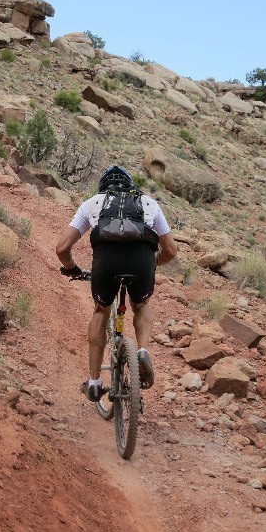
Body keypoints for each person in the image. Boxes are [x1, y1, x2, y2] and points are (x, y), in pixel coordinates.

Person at [55, 165, 178, 401]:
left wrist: (72, 268)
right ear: (131, 187)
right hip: (141, 261)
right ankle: (141, 350)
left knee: (100, 311)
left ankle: (94, 382)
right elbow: (171, 251)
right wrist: (153, 264)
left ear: (103, 188)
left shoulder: (93, 203)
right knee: (141, 306)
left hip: (106, 263)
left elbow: (62, 248)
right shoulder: (148, 203)